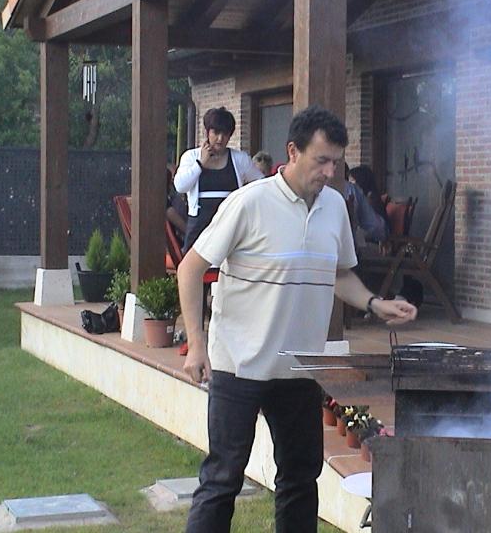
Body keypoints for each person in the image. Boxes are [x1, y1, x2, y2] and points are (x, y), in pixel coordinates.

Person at [178, 105, 417, 533]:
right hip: (240, 365)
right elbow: (191, 268)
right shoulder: (249, 202)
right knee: (222, 479)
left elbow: (339, 272)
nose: (329, 171)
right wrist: (196, 343)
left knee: (300, 479)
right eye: (321, 160)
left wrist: (374, 304)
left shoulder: (334, 208)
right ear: (292, 151)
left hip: (299, 369)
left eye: (336, 162)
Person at [174, 107, 263, 252]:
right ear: (207, 132)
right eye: (216, 133)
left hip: (230, 224)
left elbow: (260, 183)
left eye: (225, 134)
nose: (220, 139)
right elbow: (180, 186)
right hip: (199, 225)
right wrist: (200, 164)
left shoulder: (240, 159)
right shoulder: (191, 156)